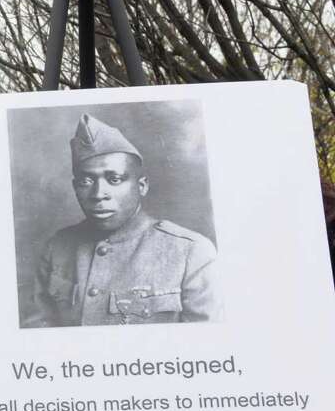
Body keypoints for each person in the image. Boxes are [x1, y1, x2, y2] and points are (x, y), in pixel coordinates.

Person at [30, 113, 219, 327]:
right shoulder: (57, 248)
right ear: (75, 188)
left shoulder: (191, 252)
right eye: (86, 181)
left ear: (142, 186)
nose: (99, 193)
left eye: (114, 179)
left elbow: (206, 345)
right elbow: (37, 337)